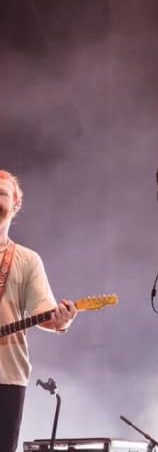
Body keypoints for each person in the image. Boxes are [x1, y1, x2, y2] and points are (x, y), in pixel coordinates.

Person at [0, 170, 77, 452]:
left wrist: (61, 320)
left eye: (2, 193)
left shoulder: (27, 260)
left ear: (16, 204)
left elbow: (43, 310)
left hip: (6, 377)